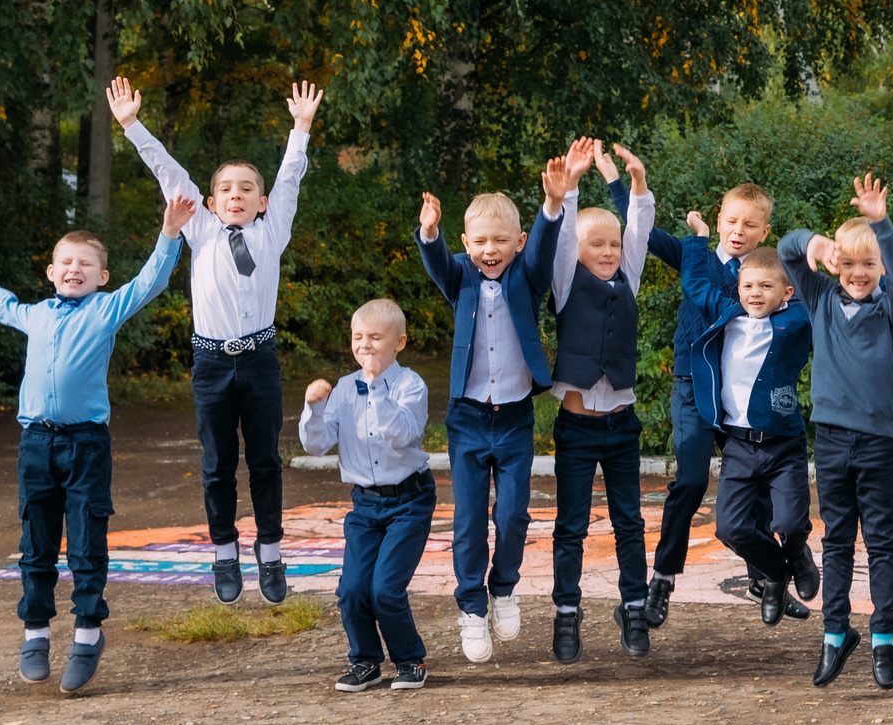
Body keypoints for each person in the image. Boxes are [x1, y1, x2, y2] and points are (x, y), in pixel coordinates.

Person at [0, 197, 191, 694]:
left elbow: (149, 281)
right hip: (36, 444)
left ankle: (87, 634)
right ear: (51, 272)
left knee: (85, 543)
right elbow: (1, 303)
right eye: (66, 262)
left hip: (86, 445)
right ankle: (35, 634)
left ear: (101, 277)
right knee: (36, 544)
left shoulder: (106, 310)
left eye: (85, 264)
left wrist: (169, 233)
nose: (74, 269)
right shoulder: (35, 315)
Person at [107, 75, 323, 605]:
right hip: (211, 364)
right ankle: (225, 552)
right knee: (217, 465)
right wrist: (132, 125)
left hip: (260, 360)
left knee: (265, 461)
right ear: (209, 200)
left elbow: (290, 178)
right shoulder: (200, 229)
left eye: (246, 189)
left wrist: (300, 128)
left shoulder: (272, 230)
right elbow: (168, 171)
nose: (235, 195)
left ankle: (270, 551)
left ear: (261, 201)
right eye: (226, 189)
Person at [413, 161, 570, 662]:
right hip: (467, 419)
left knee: (513, 514)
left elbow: (543, 249)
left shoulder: (527, 276)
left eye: (501, 240)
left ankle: (503, 589)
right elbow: (438, 262)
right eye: (480, 241)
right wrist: (430, 232)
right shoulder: (460, 276)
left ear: (517, 242)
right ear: (466, 242)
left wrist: (552, 204)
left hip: (515, 418)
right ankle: (471, 606)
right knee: (468, 520)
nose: (490, 250)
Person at [623, 179, 783, 628]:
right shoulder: (694, 257)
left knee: (756, 482)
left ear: (764, 232)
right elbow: (642, 229)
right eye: (731, 221)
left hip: (739, 394)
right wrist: (625, 183)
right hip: (693, 389)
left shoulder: (763, 277)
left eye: (749, 225)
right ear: (718, 221)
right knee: (691, 483)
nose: (738, 231)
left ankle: (763, 575)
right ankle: (662, 580)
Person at [781, 172, 893, 688]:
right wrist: (814, 243)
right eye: (848, 263)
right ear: (835, 265)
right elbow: (787, 250)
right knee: (837, 540)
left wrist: (882, 225)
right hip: (832, 440)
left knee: (881, 541)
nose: (858, 273)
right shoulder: (819, 299)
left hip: (877, 442)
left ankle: (883, 636)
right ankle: (835, 633)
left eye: (869, 264)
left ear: (882, 267)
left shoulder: (889, 308)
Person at [545, 139, 656, 663]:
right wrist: (569, 187)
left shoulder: (628, 276)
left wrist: (637, 183)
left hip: (621, 428)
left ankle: (634, 607)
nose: (609, 252)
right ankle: (566, 613)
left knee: (628, 522)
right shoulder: (566, 281)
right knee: (571, 526)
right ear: (578, 251)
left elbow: (640, 228)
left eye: (614, 244)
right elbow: (563, 236)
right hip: (576, 430)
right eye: (597, 245)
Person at [298, 299, 434, 691]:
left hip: (409, 501)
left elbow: (401, 435)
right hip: (365, 504)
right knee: (353, 590)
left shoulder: (410, 385)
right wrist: (314, 408)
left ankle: (409, 660)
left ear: (399, 343)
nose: (365, 345)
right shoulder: (344, 388)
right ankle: (365, 661)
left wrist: (376, 388)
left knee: (385, 589)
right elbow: (317, 445)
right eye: (357, 337)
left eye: (375, 337)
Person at [685, 242, 818, 626]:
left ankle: (798, 553)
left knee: (789, 523)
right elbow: (695, 285)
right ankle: (776, 572)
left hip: (783, 445)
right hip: (738, 446)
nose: (755, 294)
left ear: (786, 293)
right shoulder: (728, 314)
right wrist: (698, 239)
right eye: (748, 286)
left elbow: (821, 298)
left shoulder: (796, 322)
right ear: (738, 289)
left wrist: (807, 257)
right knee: (730, 528)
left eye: (765, 286)